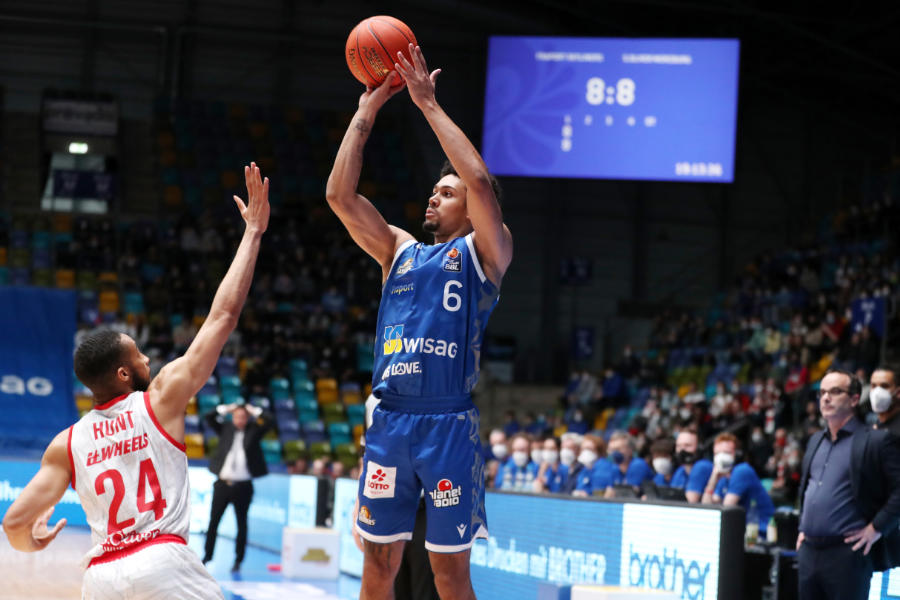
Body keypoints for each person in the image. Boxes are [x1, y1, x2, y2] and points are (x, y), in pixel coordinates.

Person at [1, 163, 269, 599]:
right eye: (139, 355)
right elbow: (223, 315)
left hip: (101, 578)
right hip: (163, 562)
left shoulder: (66, 443)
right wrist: (253, 232)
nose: (148, 358)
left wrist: (33, 541)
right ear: (124, 374)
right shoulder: (160, 399)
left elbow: (13, 524)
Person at [325, 44, 513, 600]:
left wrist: (428, 105)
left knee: (449, 575)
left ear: (471, 210)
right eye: (435, 188)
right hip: (390, 424)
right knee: (377, 568)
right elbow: (339, 195)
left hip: (447, 425)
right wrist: (365, 113)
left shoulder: (487, 253)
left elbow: (479, 179)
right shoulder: (398, 251)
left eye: (446, 192)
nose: (436, 195)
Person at [796, 369, 900, 600]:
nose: (825, 398)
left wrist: (876, 529)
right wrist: (802, 528)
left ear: (854, 399)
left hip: (847, 553)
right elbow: (808, 487)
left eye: (835, 392)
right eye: (822, 392)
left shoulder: (875, 440)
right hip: (809, 551)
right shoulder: (815, 440)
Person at [201, 402, 274, 572]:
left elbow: (270, 421)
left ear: (247, 418)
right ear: (232, 417)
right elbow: (209, 417)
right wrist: (226, 409)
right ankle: (207, 556)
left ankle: (238, 560)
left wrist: (254, 411)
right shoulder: (225, 428)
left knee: (242, 524)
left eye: (243, 417)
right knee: (213, 522)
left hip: (243, 486)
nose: (239, 420)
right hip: (223, 484)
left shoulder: (254, 431)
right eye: (237, 416)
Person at [702, 432, 775, 538]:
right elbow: (707, 507)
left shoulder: (742, 470)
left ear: (737, 454)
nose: (721, 457)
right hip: (743, 533)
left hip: (761, 533)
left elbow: (727, 510)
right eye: (717, 453)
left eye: (726, 453)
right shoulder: (723, 478)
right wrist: (713, 478)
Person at [602, 431, 654, 497]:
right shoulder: (614, 468)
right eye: (611, 450)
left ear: (630, 450)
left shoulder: (638, 465)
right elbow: (609, 493)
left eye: (617, 449)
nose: (614, 453)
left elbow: (630, 494)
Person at [671, 428, 713, 503]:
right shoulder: (681, 470)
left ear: (699, 448)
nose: (682, 450)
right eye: (679, 446)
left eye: (687, 445)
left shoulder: (702, 466)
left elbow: (690, 502)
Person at [870, 365, 900, 436]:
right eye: (873, 386)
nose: (877, 392)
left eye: (884, 386)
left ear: (898, 392)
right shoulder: (873, 427)